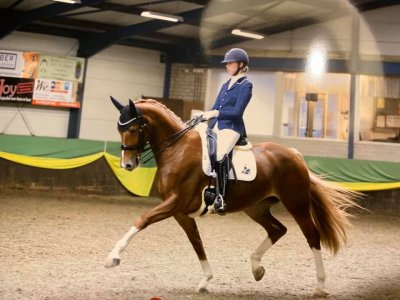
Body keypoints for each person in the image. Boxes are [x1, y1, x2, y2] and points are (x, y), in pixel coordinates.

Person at [202, 48, 253, 213]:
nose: (227, 66)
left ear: (241, 65)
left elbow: (237, 112)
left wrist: (216, 113)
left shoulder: (246, 85)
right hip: (216, 124)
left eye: (230, 63)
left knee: (219, 154)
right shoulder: (225, 84)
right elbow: (216, 106)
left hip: (232, 127)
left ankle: (221, 197)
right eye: (227, 63)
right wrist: (205, 115)